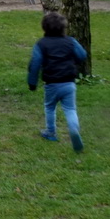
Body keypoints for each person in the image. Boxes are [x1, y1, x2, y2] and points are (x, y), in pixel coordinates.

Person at [27, 12, 88, 153]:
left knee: (49, 107)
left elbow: (35, 64)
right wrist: (73, 61)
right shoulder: (71, 41)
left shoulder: (41, 44)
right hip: (69, 83)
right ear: (63, 27)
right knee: (70, 109)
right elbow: (82, 55)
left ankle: (51, 132)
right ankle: (74, 130)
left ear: (44, 28)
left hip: (52, 84)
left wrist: (32, 83)